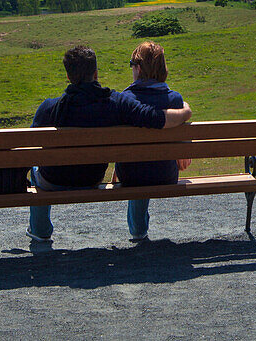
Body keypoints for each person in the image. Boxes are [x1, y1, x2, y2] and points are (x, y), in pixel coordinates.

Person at [26, 45, 191, 246]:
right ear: (95, 73)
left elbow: (30, 149)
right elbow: (155, 118)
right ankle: (138, 230)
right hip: (91, 177)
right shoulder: (115, 103)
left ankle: (41, 231)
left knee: (35, 171)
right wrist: (185, 113)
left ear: (68, 77)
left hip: (52, 180)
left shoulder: (48, 108)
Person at [113, 41, 193, 241]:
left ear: (138, 68)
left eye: (132, 64)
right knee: (150, 162)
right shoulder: (176, 101)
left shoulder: (125, 99)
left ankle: (139, 230)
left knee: (139, 165)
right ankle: (139, 229)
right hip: (165, 174)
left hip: (130, 176)